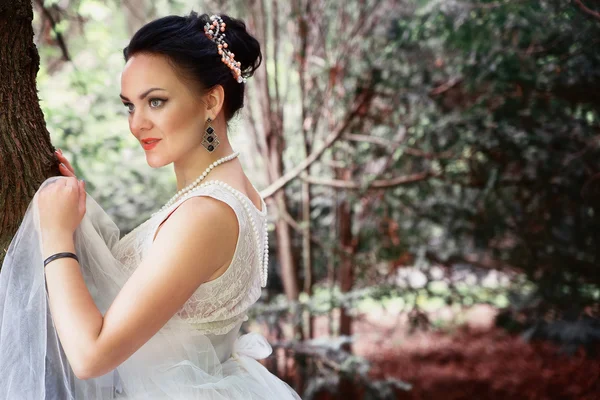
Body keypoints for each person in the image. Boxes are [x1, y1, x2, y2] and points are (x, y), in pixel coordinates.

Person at [0, 12, 301, 400]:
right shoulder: (228, 193)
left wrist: (56, 236)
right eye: (130, 106)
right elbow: (148, 294)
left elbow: (91, 357)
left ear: (211, 101)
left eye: (155, 102)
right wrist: (80, 216)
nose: (136, 124)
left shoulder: (205, 213)